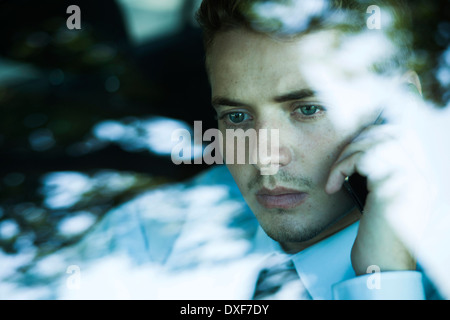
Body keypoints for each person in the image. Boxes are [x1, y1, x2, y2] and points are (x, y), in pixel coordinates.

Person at [195, 0, 440, 299]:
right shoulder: (163, 235)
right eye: (236, 117)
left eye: (309, 110)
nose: (264, 157)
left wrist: (385, 278)